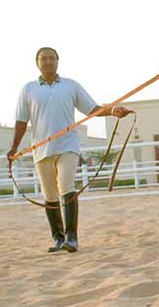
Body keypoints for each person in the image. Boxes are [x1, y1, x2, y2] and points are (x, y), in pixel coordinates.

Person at [7, 47, 132, 253]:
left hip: (68, 145)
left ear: (58, 61)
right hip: (41, 148)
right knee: (49, 193)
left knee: (66, 185)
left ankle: (71, 238)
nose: (48, 62)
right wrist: (13, 148)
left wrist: (112, 111)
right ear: (37, 63)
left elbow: (92, 109)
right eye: (43, 59)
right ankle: (58, 238)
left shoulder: (70, 86)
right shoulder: (28, 89)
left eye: (51, 58)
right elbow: (21, 120)